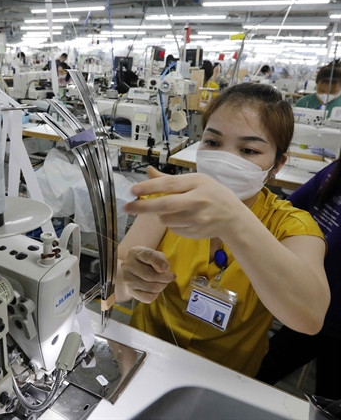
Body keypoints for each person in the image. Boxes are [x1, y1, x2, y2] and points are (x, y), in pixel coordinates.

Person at [115, 83, 329, 377]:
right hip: (144, 358)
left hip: (224, 378)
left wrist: (234, 220)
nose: (226, 159)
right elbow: (116, 282)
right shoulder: (169, 201)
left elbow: (310, 317)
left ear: (277, 165)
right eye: (213, 143)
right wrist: (129, 279)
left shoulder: (291, 226)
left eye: (249, 150)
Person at [256, 158, 341, 399]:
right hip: (309, 299)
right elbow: (291, 207)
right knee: (261, 371)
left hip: (332, 317)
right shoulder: (334, 170)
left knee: (328, 399)